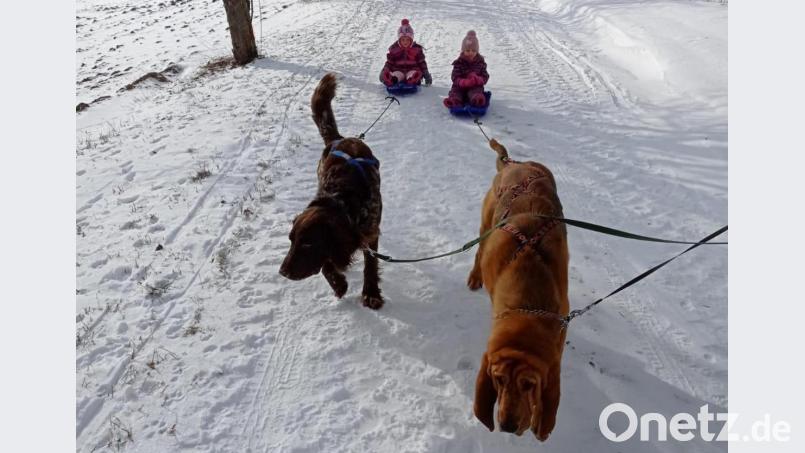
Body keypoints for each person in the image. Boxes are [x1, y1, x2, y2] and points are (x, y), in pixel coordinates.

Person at [380, 19, 432, 86]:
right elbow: (389, 63)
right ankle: (392, 79)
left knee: (413, 73)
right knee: (396, 74)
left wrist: (426, 75)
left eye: (408, 39)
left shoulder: (416, 49)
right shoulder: (394, 49)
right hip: (398, 70)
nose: (405, 42)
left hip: (412, 69)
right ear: (399, 39)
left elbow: (422, 63)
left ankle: (413, 79)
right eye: (403, 40)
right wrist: (384, 71)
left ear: (411, 39)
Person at [443, 30, 489, 108]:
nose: (470, 53)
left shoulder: (480, 63)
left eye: (473, 51)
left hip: (474, 86)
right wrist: (463, 82)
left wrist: (478, 80)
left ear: (477, 51)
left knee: (476, 90)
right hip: (460, 86)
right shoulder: (459, 62)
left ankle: (477, 100)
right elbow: (454, 77)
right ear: (463, 50)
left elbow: (485, 76)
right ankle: (454, 101)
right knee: (456, 91)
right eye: (467, 51)